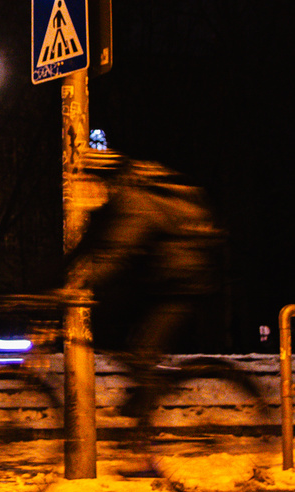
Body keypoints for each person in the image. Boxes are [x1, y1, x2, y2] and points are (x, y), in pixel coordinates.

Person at [58, 150, 222, 416]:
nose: (84, 189)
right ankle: (143, 400)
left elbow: (118, 254)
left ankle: (148, 407)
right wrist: (48, 284)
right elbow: (82, 250)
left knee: (142, 350)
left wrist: (81, 284)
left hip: (181, 282)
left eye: (89, 181)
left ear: (106, 181)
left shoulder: (133, 202)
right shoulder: (108, 206)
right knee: (112, 329)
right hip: (155, 279)